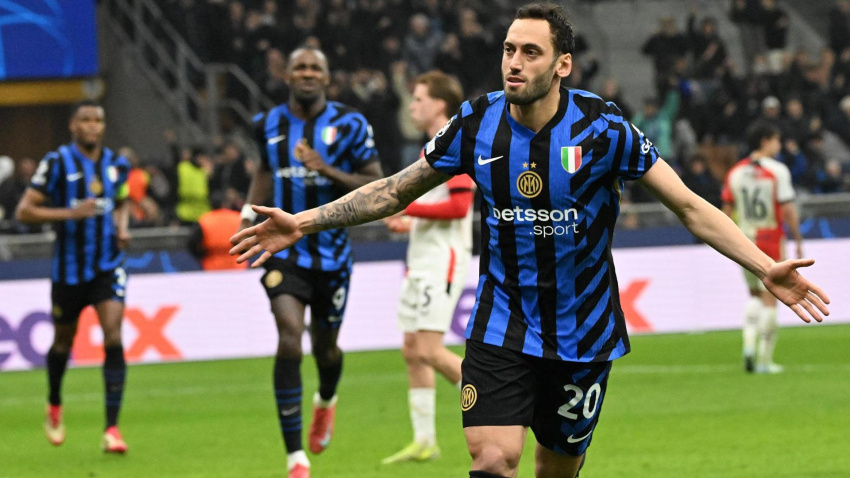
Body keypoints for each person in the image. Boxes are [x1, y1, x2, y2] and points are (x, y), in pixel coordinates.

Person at [231, 4, 830, 478]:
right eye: (508, 50)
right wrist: (302, 222)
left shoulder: (604, 128)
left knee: (554, 468)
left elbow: (691, 207)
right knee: (492, 459)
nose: (513, 63)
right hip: (502, 324)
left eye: (530, 52)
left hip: (584, 329)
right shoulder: (475, 122)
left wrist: (764, 265)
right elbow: (393, 191)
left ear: (562, 64)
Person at [242, 46, 383, 478]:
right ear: (287, 75)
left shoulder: (351, 124)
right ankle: (295, 458)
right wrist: (247, 215)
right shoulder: (267, 124)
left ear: (326, 78)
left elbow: (376, 184)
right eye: (299, 67)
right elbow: (264, 170)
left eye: (314, 68)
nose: (306, 73)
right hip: (283, 252)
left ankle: (325, 400)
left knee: (325, 349)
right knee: (290, 338)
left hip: (332, 255)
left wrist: (326, 169)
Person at [15, 100, 132, 453]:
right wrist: (70, 213)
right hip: (69, 271)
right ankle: (54, 402)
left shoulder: (117, 164)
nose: (92, 125)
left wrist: (122, 227)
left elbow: (122, 201)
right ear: (73, 125)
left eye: (98, 119)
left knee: (113, 335)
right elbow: (25, 211)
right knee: (62, 344)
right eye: (85, 119)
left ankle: (112, 429)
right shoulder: (56, 163)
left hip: (108, 265)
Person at [380, 71, 475, 465]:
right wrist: (410, 222)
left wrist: (407, 207)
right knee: (412, 350)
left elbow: (460, 206)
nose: (412, 106)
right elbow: (439, 206)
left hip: (442, 260)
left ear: (439, 104)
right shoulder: (430, 148)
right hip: (422, 259)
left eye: (419, 99)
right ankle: (424, 441)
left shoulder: (455, 143)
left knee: (431, 350)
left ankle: (501, 401)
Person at [723, 122, 804, 374]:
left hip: (744, 240)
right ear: (765, 141)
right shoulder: (777, 171)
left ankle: (748, 346)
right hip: (770, 240)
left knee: (754, 295)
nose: (779, 146)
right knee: (771, 299)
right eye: (777, 140)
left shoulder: (735, 172)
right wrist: (798, 239)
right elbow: (788, 209)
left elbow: (726, 211)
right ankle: (764, 360)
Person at [188, 192, 248, 271]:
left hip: (212, 265)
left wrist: (201, 256)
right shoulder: (238, 217)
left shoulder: (204, 220)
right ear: (226, 203)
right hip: (237, 263)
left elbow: (192, 243)